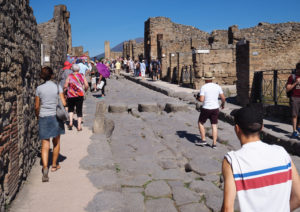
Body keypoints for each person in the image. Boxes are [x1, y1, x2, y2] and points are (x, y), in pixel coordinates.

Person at [221, 105, 300, 212]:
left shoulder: (232, 161)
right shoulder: (282, 153)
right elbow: (298, 197)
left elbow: (227, 209)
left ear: (237, 129)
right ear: (262, 127)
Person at [35, 66, 66, 182]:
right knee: (56, 141)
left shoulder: (39, 88)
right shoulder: (58, 87)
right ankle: (54, 165)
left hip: (44, 116)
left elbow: (37, 106)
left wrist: (38, 116)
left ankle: (45, 168)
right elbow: (63, 102)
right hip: (56, 117)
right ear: (52, 75)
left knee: (45, 144)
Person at [195, 72, 225, 149]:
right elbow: (223, 98)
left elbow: (201, 99)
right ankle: (214, 144)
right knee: (214, 125)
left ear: (205, 79)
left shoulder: (204, 87)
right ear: (212, 79)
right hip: (215, 108)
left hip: (206, 108)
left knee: (200, 123)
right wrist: (223, 104)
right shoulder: (217, 86)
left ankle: (203, 139)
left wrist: (197, 98)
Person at [64, 64, 88, 131]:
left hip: (70, 95)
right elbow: (86, 85)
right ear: (79, 69)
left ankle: (71, 122)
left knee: (71, 109)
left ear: (72, 69)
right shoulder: (82, 76)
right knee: (79, 110)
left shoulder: (69, 76)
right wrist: (85, 90)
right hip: (79, 95)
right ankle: (79, 126)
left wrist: (65, 92)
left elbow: (65, 86)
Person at [286, 62, 300, 138]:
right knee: (294, 115)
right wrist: (295, 83)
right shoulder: (292, 77)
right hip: (294, 97)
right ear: (298, 69)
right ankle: (294, 131)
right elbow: (287, 89)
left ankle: (298, 127)